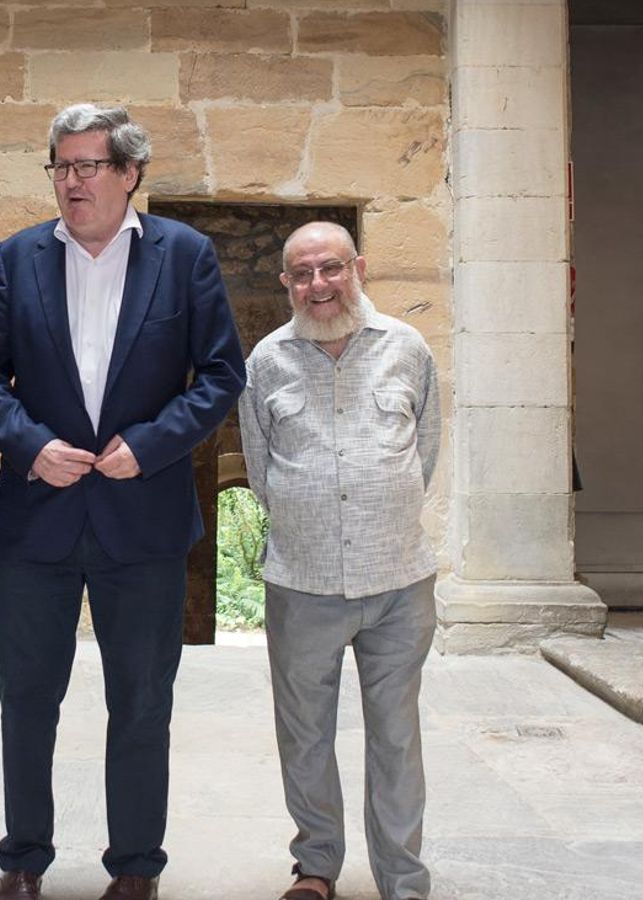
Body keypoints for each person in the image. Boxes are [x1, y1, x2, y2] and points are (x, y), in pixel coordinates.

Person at [0, 103, 245, 900]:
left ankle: (134, 867)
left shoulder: (183, 255)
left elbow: (221, 374)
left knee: (142, 700)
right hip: (39, 517)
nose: (71, 181)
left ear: (130, 173)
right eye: (60, 166)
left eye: (88, 166)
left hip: (143, 518)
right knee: (26, 698)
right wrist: (30, 444)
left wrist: (151, 444)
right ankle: (24, 858)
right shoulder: (15, 258)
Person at [239, 222, 441, 900]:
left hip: (398, 581)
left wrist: (380, 511)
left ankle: (403, 880)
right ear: (286, 284)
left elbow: (425, 451)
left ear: (358, 268)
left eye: (330, 268)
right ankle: (316, 867)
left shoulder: (407, 348)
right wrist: (314, 515)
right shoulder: (267, 361)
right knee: (304, 735)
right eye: (302, 274)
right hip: (303, 581)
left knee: (396, 736)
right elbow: (261, 468)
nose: (318, 285)